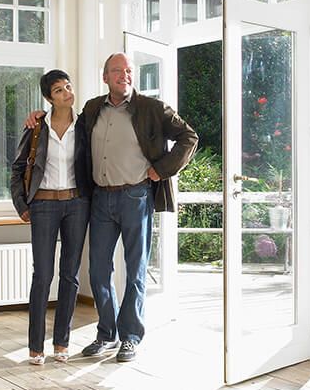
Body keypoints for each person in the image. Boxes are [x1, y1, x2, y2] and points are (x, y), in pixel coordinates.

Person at [30, 53, 197, 363]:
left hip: (136, 197)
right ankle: (107, 333)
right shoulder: (92, 108)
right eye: (117, 71)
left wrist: (162, 169)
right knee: (98, 270)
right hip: (100, 199)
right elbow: (61, 123)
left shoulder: (151, 108)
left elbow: (190, 136)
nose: (125, 75)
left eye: (129, 70)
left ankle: (130, 336)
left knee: (135, 271)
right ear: (105, 77)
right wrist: (37, 116)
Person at [10, 70, 90, 365]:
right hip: (43, 205)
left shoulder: (84, 125)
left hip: (77, 204)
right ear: (48, 97)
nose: (67, 93)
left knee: (70, 275)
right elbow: (18, 169)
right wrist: (22, 205)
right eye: (59, 90)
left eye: (68, 86)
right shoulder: (36, 127)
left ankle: (61, 343)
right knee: (43, 275)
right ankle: (35, 347)